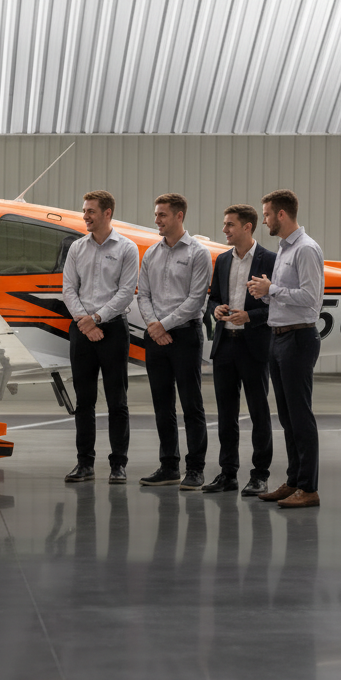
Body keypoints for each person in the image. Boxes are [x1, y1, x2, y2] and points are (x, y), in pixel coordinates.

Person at [247, 189, 324, 508]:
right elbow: (284, 294)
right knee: (288, 417)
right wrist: (264, 294)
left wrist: (272, 288)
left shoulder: (306, 249)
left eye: (265, 215)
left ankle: (308, 488)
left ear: (281, 214)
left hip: (298, 338)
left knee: (300, 415)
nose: (263, 220)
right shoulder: (285, 249)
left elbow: (311, 299)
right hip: (279, 337)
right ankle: (294, 481)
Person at [61, 190, 139, 484]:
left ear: (107, 213)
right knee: (84, 401)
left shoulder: (127, 249)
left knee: (117, 400)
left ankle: (118, 464)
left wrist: (96, 319)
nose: (85, 216)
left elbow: (125, 292)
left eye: (91, 211)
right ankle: (85, 464)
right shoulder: (77, 248)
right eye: (84, 210)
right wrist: (85, 321)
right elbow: (69, 289)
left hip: (113, 329)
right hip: (82, 330)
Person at [136, 194, 213, 490]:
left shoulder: (198, 253)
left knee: (191, 404)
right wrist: (154, 327)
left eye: (162, 215)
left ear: (179, 216)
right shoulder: (152, 254)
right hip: (157, 336)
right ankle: (169, 466)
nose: (156, 220)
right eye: (156, 215)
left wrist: (161, 325)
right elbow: (142, 295)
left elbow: (195, 301)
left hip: (185, 336)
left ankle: (195, 469)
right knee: (162, 404)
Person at [203, 204, 276, 495]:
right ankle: (227, 473)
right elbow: (213, 297)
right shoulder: (222, 260)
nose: (224, 230)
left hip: (254, 347)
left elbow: (278, 304)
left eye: (230, 225)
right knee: (226, 414)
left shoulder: (270, 260)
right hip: (225, 346)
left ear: (247, 227)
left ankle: (259, 475)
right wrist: (216, 308)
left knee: (259, 412)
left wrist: (250, 316)